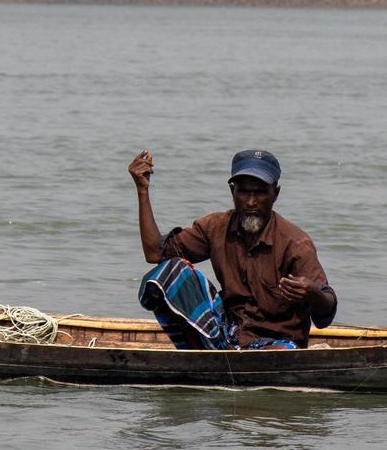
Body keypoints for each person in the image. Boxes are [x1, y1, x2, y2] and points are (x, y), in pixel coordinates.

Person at [129, 149, 336, 350]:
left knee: (281, 352)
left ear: (275, 194)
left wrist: (313, 293)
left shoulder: (295, 243)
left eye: (260, 192)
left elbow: (325, 314)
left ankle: (224, 359)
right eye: (244, 192)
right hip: (228, 333)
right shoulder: (216, 227)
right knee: (170, 271)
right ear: (232, 191)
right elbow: (155, 253)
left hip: (276, 342)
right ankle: (200, 354)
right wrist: (142, 190)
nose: (251, 202)